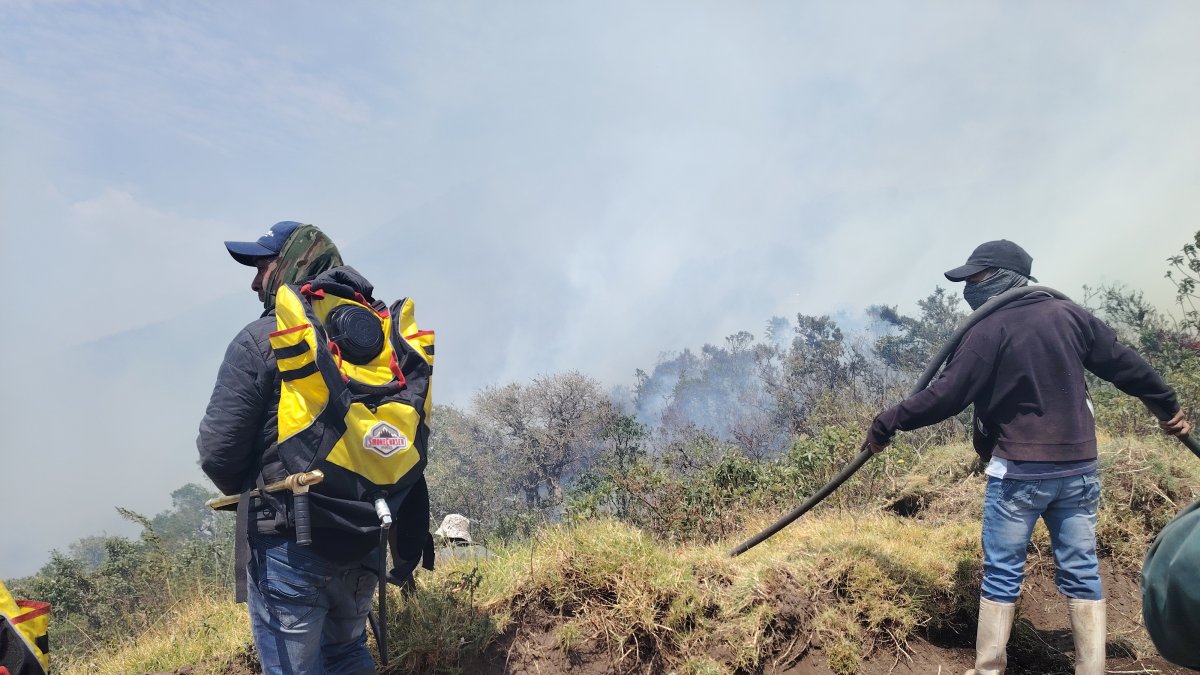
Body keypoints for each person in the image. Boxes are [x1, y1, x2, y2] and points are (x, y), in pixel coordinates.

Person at [864, 240, 1191, 675]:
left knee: (1002, 573)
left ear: (1001, 277)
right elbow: (1124, 363)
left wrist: (887, 422)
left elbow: (945, 396)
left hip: (1019, 473)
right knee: (1081, 570)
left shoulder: (988, 330)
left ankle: (987, 670)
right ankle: (1090, 670)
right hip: (1078, 471)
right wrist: (1166, 407)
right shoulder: (1069, 315)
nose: (969, 289)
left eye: (976, 279)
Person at [197, 221, 381, 675]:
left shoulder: (263, 339)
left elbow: (218, 450)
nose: (255, 280)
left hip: (290, 538)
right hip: (363, 533)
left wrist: (257, 490)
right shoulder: (371, 333)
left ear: (293, 263)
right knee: (348, 653)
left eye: (262, 266)